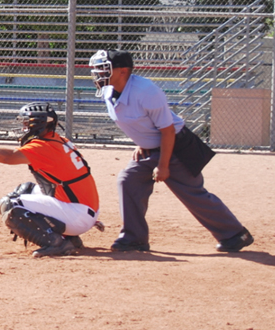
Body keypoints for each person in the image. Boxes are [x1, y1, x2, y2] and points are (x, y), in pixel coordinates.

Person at [88, 49, 254, 253]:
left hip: (175, 147)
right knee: (128, 180)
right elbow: (137, 119)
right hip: (150, 148)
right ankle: (134, 238)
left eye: (103, 69)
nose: (97, 74)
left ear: (123, 71)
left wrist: (163, 166)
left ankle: (236, 234)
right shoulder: (108, 90)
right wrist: (142, 141)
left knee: (193, 194)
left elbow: (167, 130)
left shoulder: (146, 91)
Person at [0, 102, 101, 257]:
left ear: (38, 124)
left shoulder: (44, 146)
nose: (23, 127)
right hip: (82, 208)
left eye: (26, 123)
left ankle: (57, 242)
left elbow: (9, 157)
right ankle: (69, 237)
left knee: (10, 204)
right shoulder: (57, 140)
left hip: (77, 214)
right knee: (26, 189)